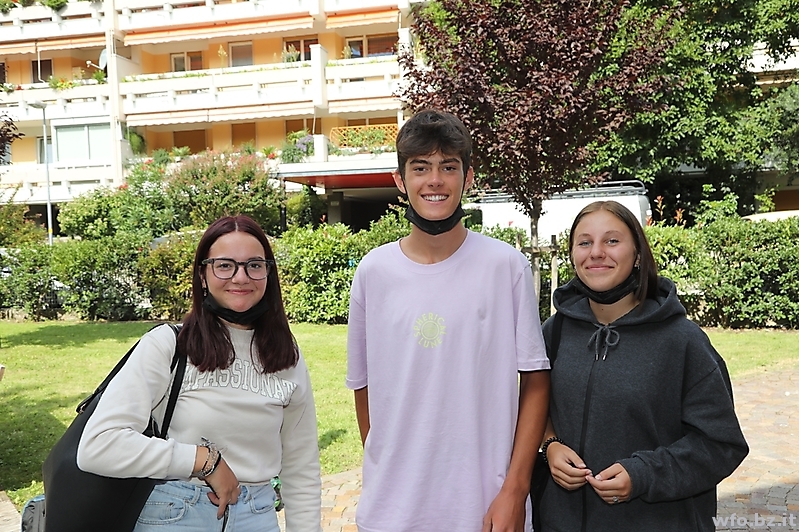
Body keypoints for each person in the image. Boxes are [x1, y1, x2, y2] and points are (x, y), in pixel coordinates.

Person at [346, 109, 551, 532]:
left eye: (448, 167)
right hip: (392, 512)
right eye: (421, 167)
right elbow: (363, 388)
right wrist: (390, 469)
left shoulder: (505, 266)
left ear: (468, 177)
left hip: (486, 508)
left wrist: (515, 490)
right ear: (400, 180)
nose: (435, 180)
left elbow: (535, 380)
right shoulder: (373, 272)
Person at [78, 215, 322, 532]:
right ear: (203, 275)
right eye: (225, 265)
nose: (241, 277)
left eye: (254, 265)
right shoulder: (169, 345)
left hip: (258, 516)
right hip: (176, 513)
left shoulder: (286, 356)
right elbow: (98, 445)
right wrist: (203, 461)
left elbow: (301, 465)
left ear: (268, 274)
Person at [537, 201, 749, 532]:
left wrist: (643, 475)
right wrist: (550, 445)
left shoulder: (683, 341)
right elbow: (532, 410)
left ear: (637, 254)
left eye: (612, 240)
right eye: (584, 242)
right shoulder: (555, 332)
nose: (596, 252)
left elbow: (721, 445)